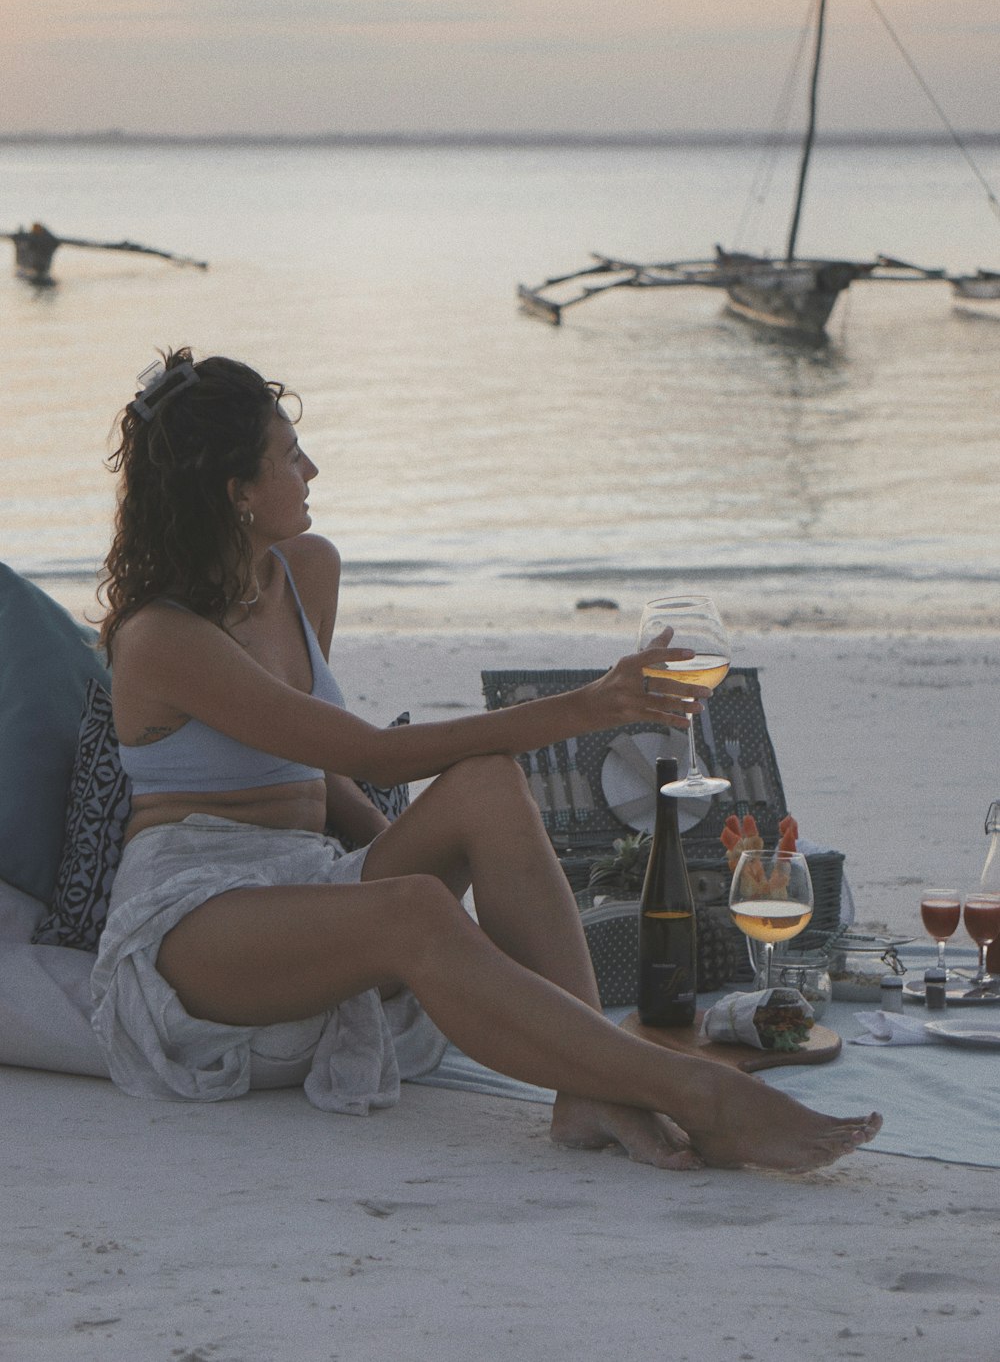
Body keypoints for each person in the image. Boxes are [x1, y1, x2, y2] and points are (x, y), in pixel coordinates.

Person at [92, 347, 881, 1172]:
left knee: (486, 785)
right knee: (415, 909)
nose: (312, 467)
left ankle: (587, 1088)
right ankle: (696, 1092)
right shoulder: (163, 640)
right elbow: (373, 755)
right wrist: (586, 707)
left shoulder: (303, 572)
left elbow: (316, 767)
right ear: (238, 493)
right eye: (290, 457)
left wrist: (383, 856)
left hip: (305, 879)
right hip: (196, 920)